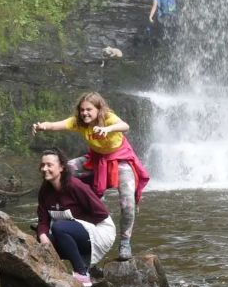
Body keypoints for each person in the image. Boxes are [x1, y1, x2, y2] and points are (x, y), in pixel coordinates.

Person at [32, 91, 149, 261]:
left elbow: (125, 126)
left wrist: (107, 128)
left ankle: (125, 242)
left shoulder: (108, 117)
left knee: (127, 201)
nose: (85, 113)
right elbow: (58, 125)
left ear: (98, 109)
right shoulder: (78, 122)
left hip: (120, 160)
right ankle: (55, 218)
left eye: (89, 109)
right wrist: (42, 126)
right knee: (62, 170)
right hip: (96, 159)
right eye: (82, 110)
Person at [35, 148, 115, 286]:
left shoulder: (75, 185)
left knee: (59, 227)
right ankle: (56, 276)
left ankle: (82, 274)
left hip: (100, 231)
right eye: (42, 165)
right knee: (44, 238)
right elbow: (43, 220)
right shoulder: (44, 191)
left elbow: (101, 213)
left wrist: (77, 224)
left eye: (49, 165)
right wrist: (43, 235)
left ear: (61, 167)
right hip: (71, 233)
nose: (44, 168)